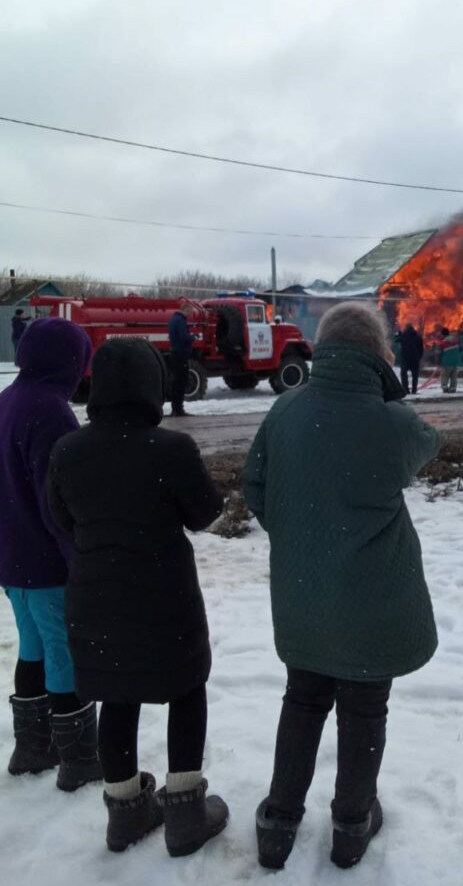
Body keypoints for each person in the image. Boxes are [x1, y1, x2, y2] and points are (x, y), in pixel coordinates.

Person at [242, 301, 440, 871]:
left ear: (324, 348)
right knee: (364, 708)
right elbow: (426, 444)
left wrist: (300, 532)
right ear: (378, 353)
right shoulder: (392, 421)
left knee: (302, 701)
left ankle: (279, 820)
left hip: (304, 594)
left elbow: (255, 483)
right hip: (373, 599)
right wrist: (388, 392)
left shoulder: (285, 408)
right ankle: (352, 822)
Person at [47, 338, 228, 855]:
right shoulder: (169, 448)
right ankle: (186, 813)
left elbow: (60, 517)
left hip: (94, 596)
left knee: (117, 694)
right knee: (186, 689)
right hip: (163, 598)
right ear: (153, 383)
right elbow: (205, 513)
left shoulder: (68, 449)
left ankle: (124, 813)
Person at [0, 317, 102, 791]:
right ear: (68, 362)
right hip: (45, 562)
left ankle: (31, 747)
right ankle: (78, 759)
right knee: (65, 652)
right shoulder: (51, 411)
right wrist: (78, 558)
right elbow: (55, 500)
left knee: (34, 645)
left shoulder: (6, 401)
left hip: (10, 559)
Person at [167, 303, 196, 417]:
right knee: (181, 382)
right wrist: (193, 337)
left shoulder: (173, 319)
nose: (190, 315)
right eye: (190, 312)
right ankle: (179, 409)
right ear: (186, 310)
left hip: (175, 352)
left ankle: (175, 409)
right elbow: (184, 337)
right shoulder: (180, 321)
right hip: (181, 354)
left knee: (176, 382)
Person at [395, 322, 424, 394]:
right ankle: (414, 389)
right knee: (415, 375)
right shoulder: (418, 336)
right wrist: (419, 356)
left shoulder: (403, 335)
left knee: (403, 373)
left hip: (405, 358)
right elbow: (421, 348)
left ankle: (406, 389)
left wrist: (398, 332)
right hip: (415, 358)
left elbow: (396, 339)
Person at [438, 326, 460, 393]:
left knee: (444, 376)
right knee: (454, 377)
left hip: (446, 363)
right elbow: (461, 349)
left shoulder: (442, 343)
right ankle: (453, 388)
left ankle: (445, 387)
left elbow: (439, 354)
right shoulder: (456, 341)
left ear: (443, 335)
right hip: (455, 362)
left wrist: (438, 362)